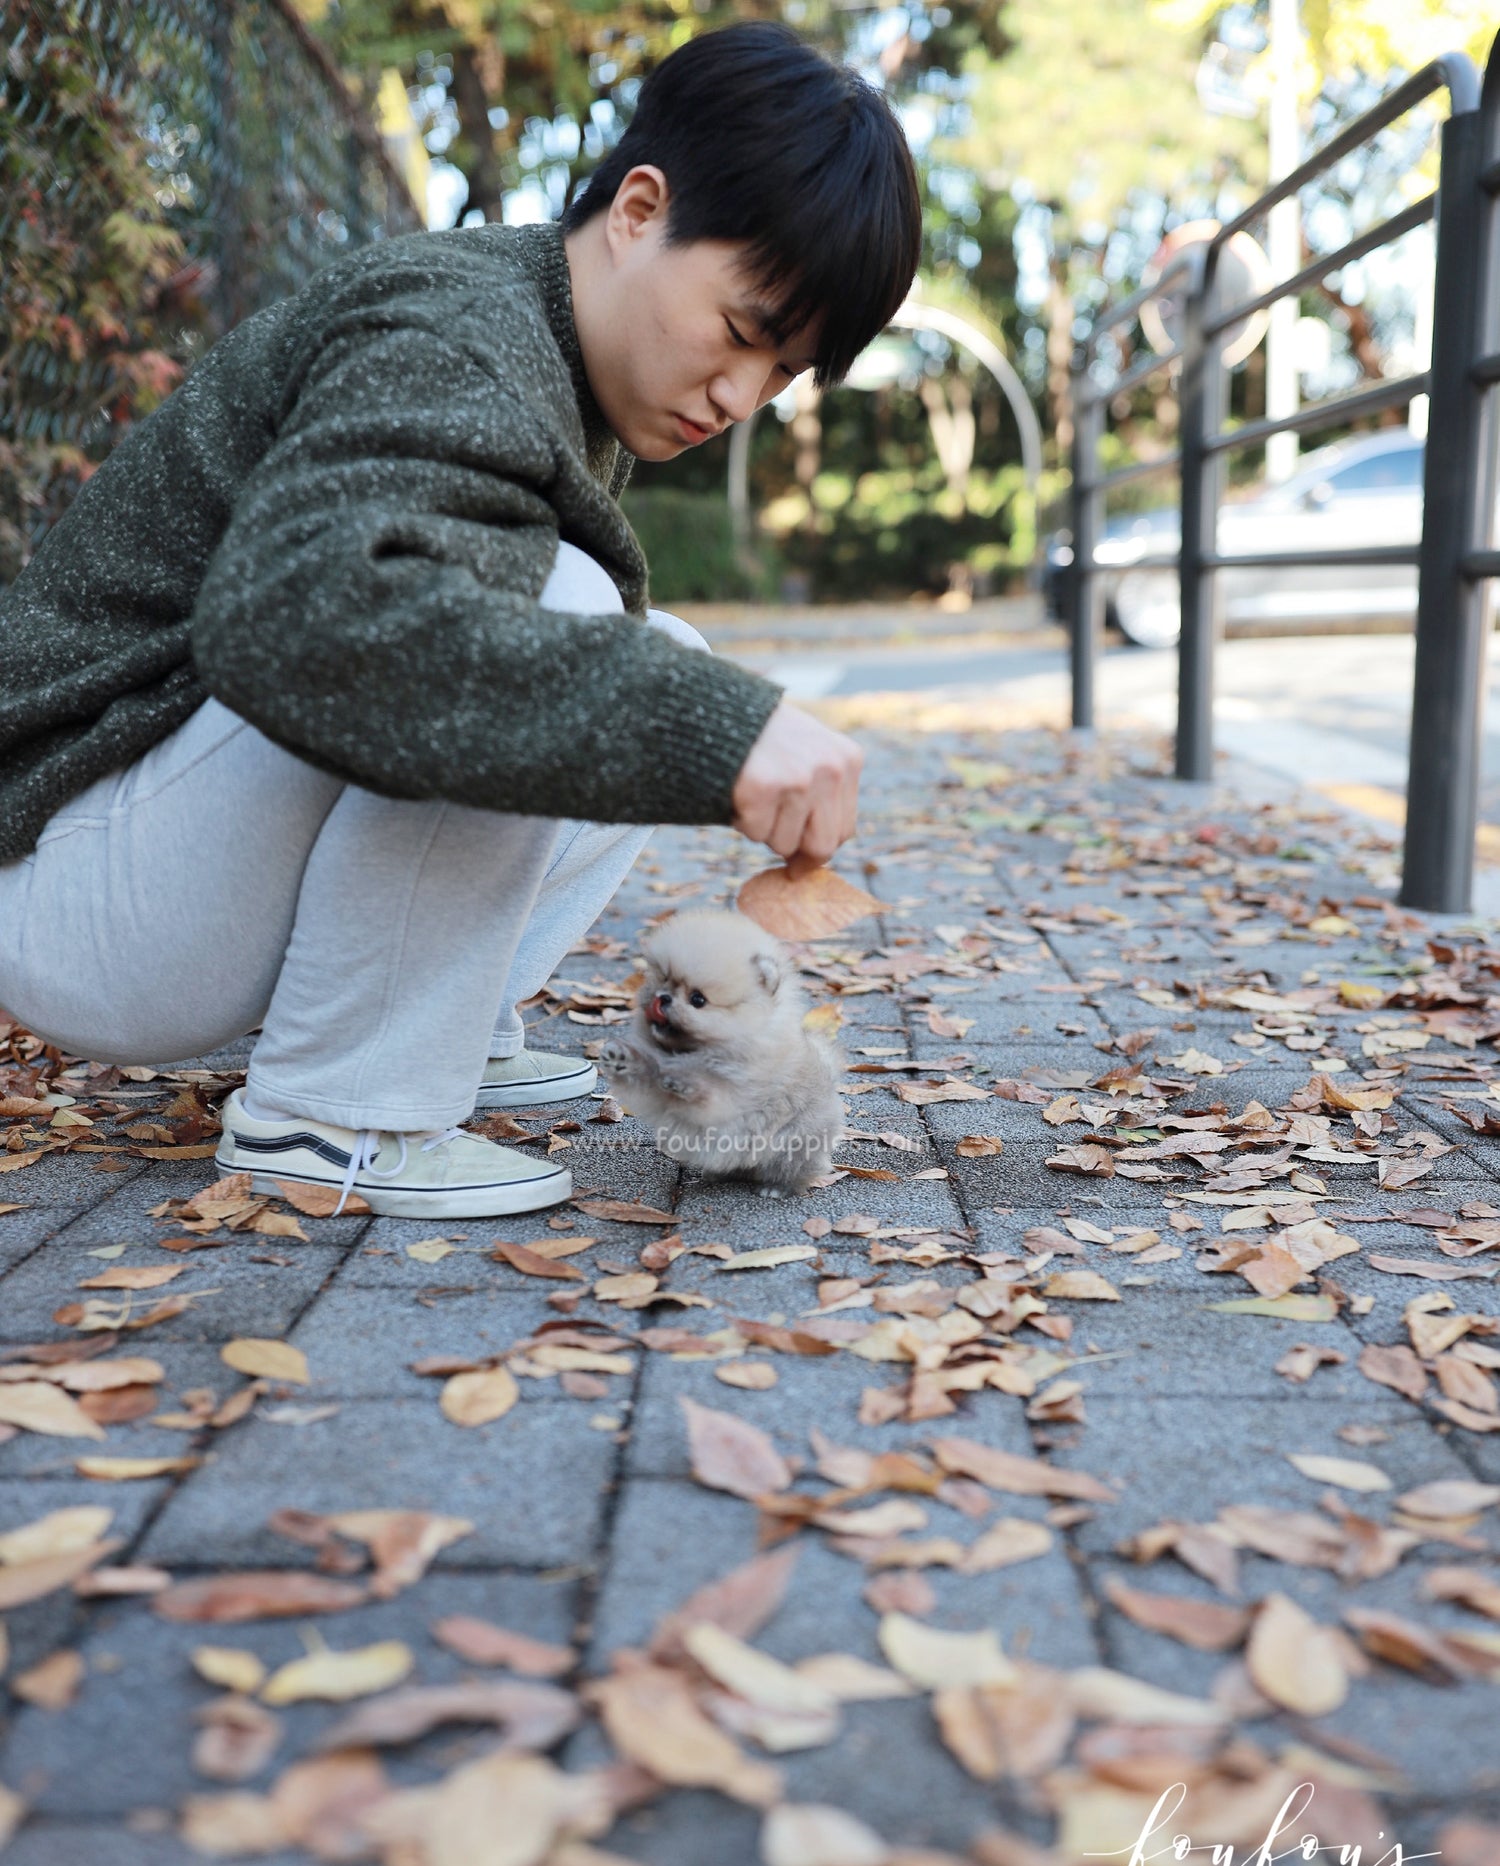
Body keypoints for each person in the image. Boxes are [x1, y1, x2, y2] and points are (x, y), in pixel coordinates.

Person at [0, 21, 921, 1218]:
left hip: (146, 847)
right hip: (64, 879)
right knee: (565, 612)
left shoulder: (550, 350)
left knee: (651, 651)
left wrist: (691, 708)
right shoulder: (457, 331)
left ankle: (435, 1024)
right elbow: (303, 621)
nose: (743, 395)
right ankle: (336, 1112)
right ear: (639, 210)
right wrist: (720, 728)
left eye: (783, 372)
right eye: (745, 331)